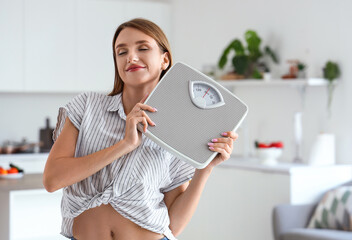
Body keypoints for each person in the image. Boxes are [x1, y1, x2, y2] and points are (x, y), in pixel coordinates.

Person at [43, 18, 238, 240]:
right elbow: (52, 180)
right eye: (121, 52)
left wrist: (205, 168)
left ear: (165, 60)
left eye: (142, 48)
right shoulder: (87, 107)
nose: (131, 57)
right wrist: (125, 145)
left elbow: (173, 226)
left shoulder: (181, 131)